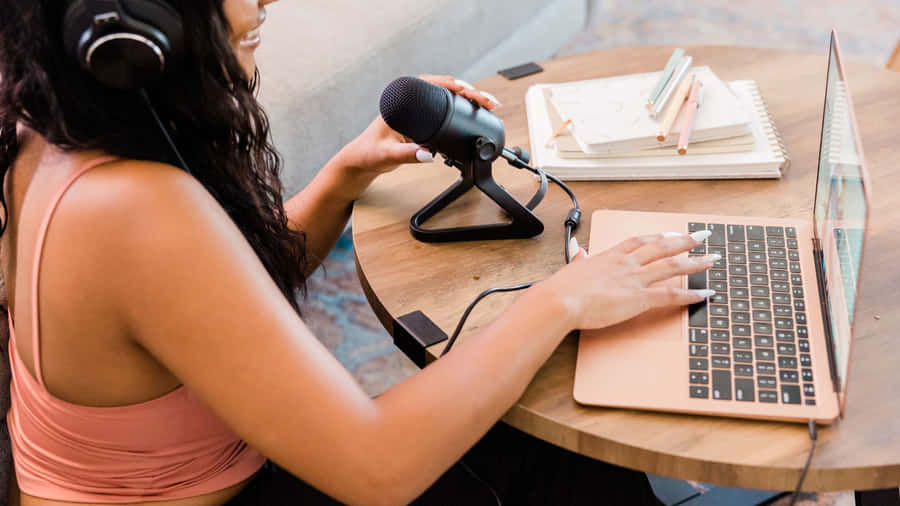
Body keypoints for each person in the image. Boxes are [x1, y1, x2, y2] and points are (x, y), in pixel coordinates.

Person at [0, 0, 717, 504]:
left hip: (214, 475)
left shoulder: (49, 130)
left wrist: (343, 175)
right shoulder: (134, 212)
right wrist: (560, 300)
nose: (267, 2)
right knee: (560, 462)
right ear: (138, 19)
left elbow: (212, 297)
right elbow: (377, 469)